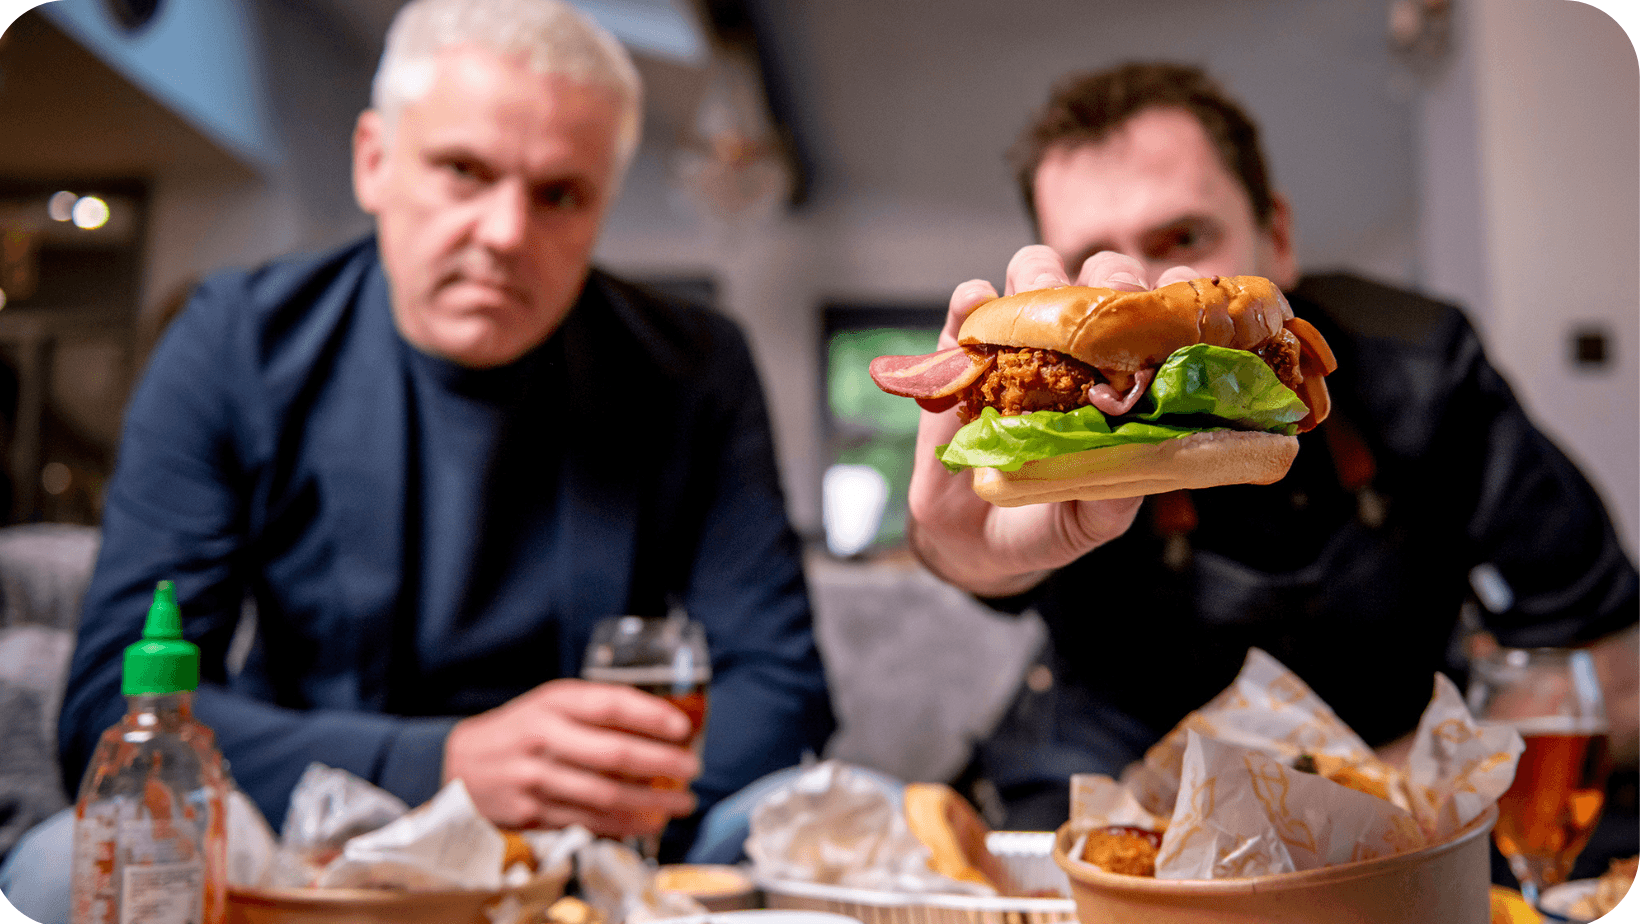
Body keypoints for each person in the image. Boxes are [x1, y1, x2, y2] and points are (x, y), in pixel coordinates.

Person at [3, 0, 833, 916]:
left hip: (607, 842)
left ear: (604, 200)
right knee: (56, 868)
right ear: (374, 161)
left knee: (839, 814)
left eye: (560, 194)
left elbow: (784, 686)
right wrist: (444, 764)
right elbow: (110, 717)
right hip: (313, 836)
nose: (506, 234)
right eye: (462, 171)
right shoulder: (233, 342)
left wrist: (591, 794)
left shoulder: (695, 368)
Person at [909, 63, 1639, 839]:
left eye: (1184, 237)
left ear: (1278, 238)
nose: (1139, 304)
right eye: (1093, 260)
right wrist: (965, 548)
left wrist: (1352, 808)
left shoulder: (1420, 364)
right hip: (1103, 782)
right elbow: (980, 560)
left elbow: (1611, 664)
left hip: (1386, 782)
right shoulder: (1023, 395)